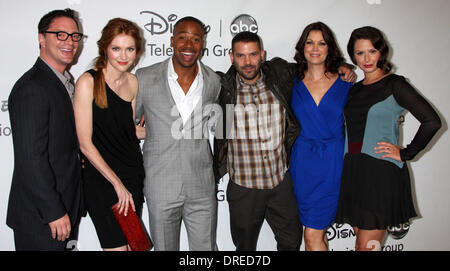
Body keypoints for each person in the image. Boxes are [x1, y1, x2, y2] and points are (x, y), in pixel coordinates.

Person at [213, 31, 355, 251]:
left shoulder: (280, 75)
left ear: (262, 55)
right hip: (244, 187)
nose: (248, 62)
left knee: (291, 243)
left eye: (253, 54)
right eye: (241, 56)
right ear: (231, 57)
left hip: (281, 183)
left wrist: (341, 67)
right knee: (244, 248)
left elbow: (312, 64)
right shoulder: (222, 87)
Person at [336, 26, 441, 251]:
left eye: (372, 51)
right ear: (353, 55)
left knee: (366, 246)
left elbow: (432, 121)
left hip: (380, 175)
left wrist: (405, 153)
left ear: (381, 52)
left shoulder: (395, 85)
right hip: (354, 172)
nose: (366, 58)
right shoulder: (352, 90)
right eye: (360, 53)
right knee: (360, 244)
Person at [135, 16, 221, 251]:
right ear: (172, 40)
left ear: (202, 44)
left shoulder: (213, 81)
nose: (188, 45)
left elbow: (219, 124)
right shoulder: (143, 78)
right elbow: (128, 126)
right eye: (182, 37)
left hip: (201, 184)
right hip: (160, 184)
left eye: (196, 39)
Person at [7, 8, 84, 251]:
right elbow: (30, 159)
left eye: (74, 36)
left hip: (64, 206)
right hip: (43, 216)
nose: (70, 42)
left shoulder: (65, 83)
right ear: (41, 38)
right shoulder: (33, 88)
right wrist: (53, 211)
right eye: (60, 35)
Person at [73, 18, 145, 251]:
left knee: (134, 246)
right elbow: (84, 143)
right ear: (105, 48)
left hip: (132, 176)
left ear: (137, 51)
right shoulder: (87, 82)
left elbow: (128, 131)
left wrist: (159, 131)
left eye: (129, 49)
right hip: (103, 182)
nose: (123, 55)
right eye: (116, 48)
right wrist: (117, 184)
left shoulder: (133, 82)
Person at [289, 22, 352, 251]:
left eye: (321, 43)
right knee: (316, 233)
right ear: (302, 46)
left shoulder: (346, 82)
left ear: (329, 48)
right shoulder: (290, 80)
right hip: (302, 164)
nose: (315, 48)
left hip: (333, 164)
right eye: (310, 42)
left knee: (313, 233)